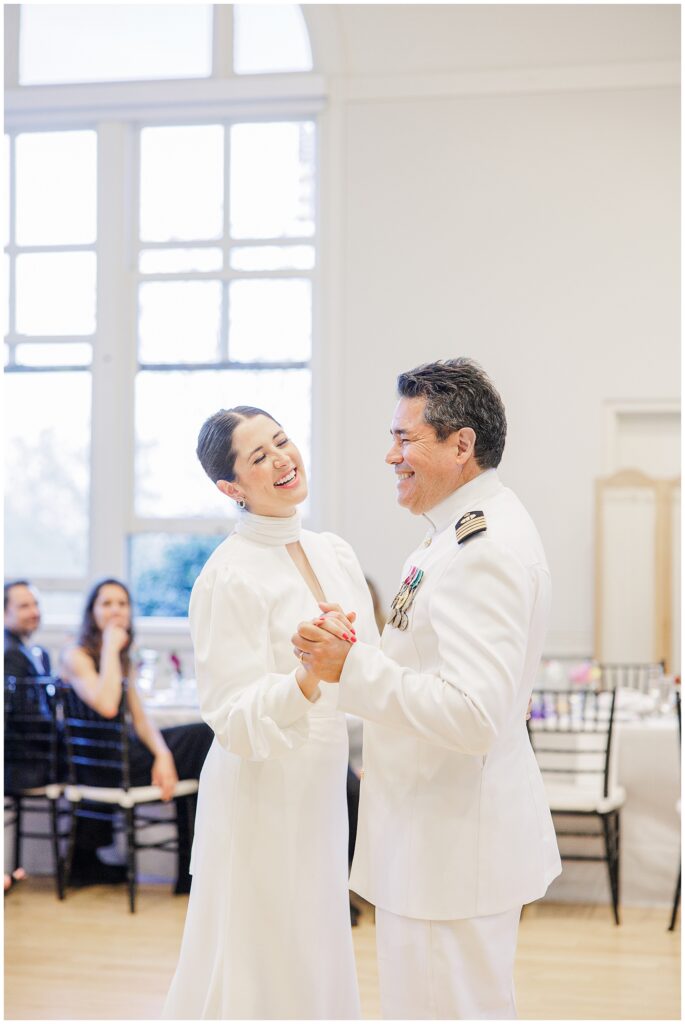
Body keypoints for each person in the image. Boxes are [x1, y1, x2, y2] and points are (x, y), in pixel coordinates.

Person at [293, 358, 562, 1020]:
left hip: (452, 846)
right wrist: (357, 649)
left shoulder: (484, 550)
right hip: (430, 836)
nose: (390, 455)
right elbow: (430, 664)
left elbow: (473, 714)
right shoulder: (454, 534)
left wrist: (349, 669)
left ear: (460, 444)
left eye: (404, 438)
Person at [163, 406, 378, 1020]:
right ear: (232, 488)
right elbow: (230, 717)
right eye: (259, 457)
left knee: (317, 937)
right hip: (261, 787)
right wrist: (307, 674)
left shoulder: (333, 551)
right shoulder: (225, 578)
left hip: (320, 781)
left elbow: (376, 659)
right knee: (262, 945)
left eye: (282, 442)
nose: (283, 460)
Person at [60, 578, 213, 890]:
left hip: (126, 752)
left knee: (203, 737)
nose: (116, 610)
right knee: (203, 741)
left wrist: (163, 755)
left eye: (122, 604)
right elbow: (105, 704)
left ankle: (193, 870)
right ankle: (193, 873)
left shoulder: (120, 656)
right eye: (107, 603)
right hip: (103, 763)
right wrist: (111, 649)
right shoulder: (76, 654)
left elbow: (140, 719)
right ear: (92, 612)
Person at [4, 580, 51, 679]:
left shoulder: (37, 650)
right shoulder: (10, 653)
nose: (35, 612)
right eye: (24, 606)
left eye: (36, 604)